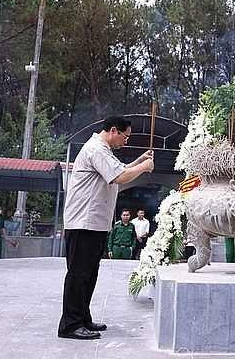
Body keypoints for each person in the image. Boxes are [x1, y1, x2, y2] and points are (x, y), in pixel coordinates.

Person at [57, 115, 154, 340]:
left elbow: (120, 169)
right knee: (79, 274)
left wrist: (139, 162)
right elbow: (120, 176)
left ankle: (82, 318)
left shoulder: (104, 151)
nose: (126, 141)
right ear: (113, 131)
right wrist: (145, 167)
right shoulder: (96, 150)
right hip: (83, 222)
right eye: (125, 137)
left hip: (95, 224)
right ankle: (70, 324)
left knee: (89, 274)